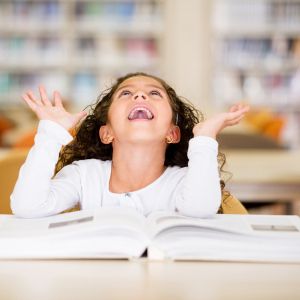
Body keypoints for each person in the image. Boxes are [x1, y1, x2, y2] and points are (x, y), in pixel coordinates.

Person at [11, 72, 249, 218]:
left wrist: (205, 138)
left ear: (172, 133)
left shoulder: (184, 181)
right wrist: (51, 133)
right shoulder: (84, 175)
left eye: (154, 94)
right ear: (106, 133)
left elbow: (201, 209)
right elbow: (27, 206)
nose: (140, 96)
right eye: (125, 94)